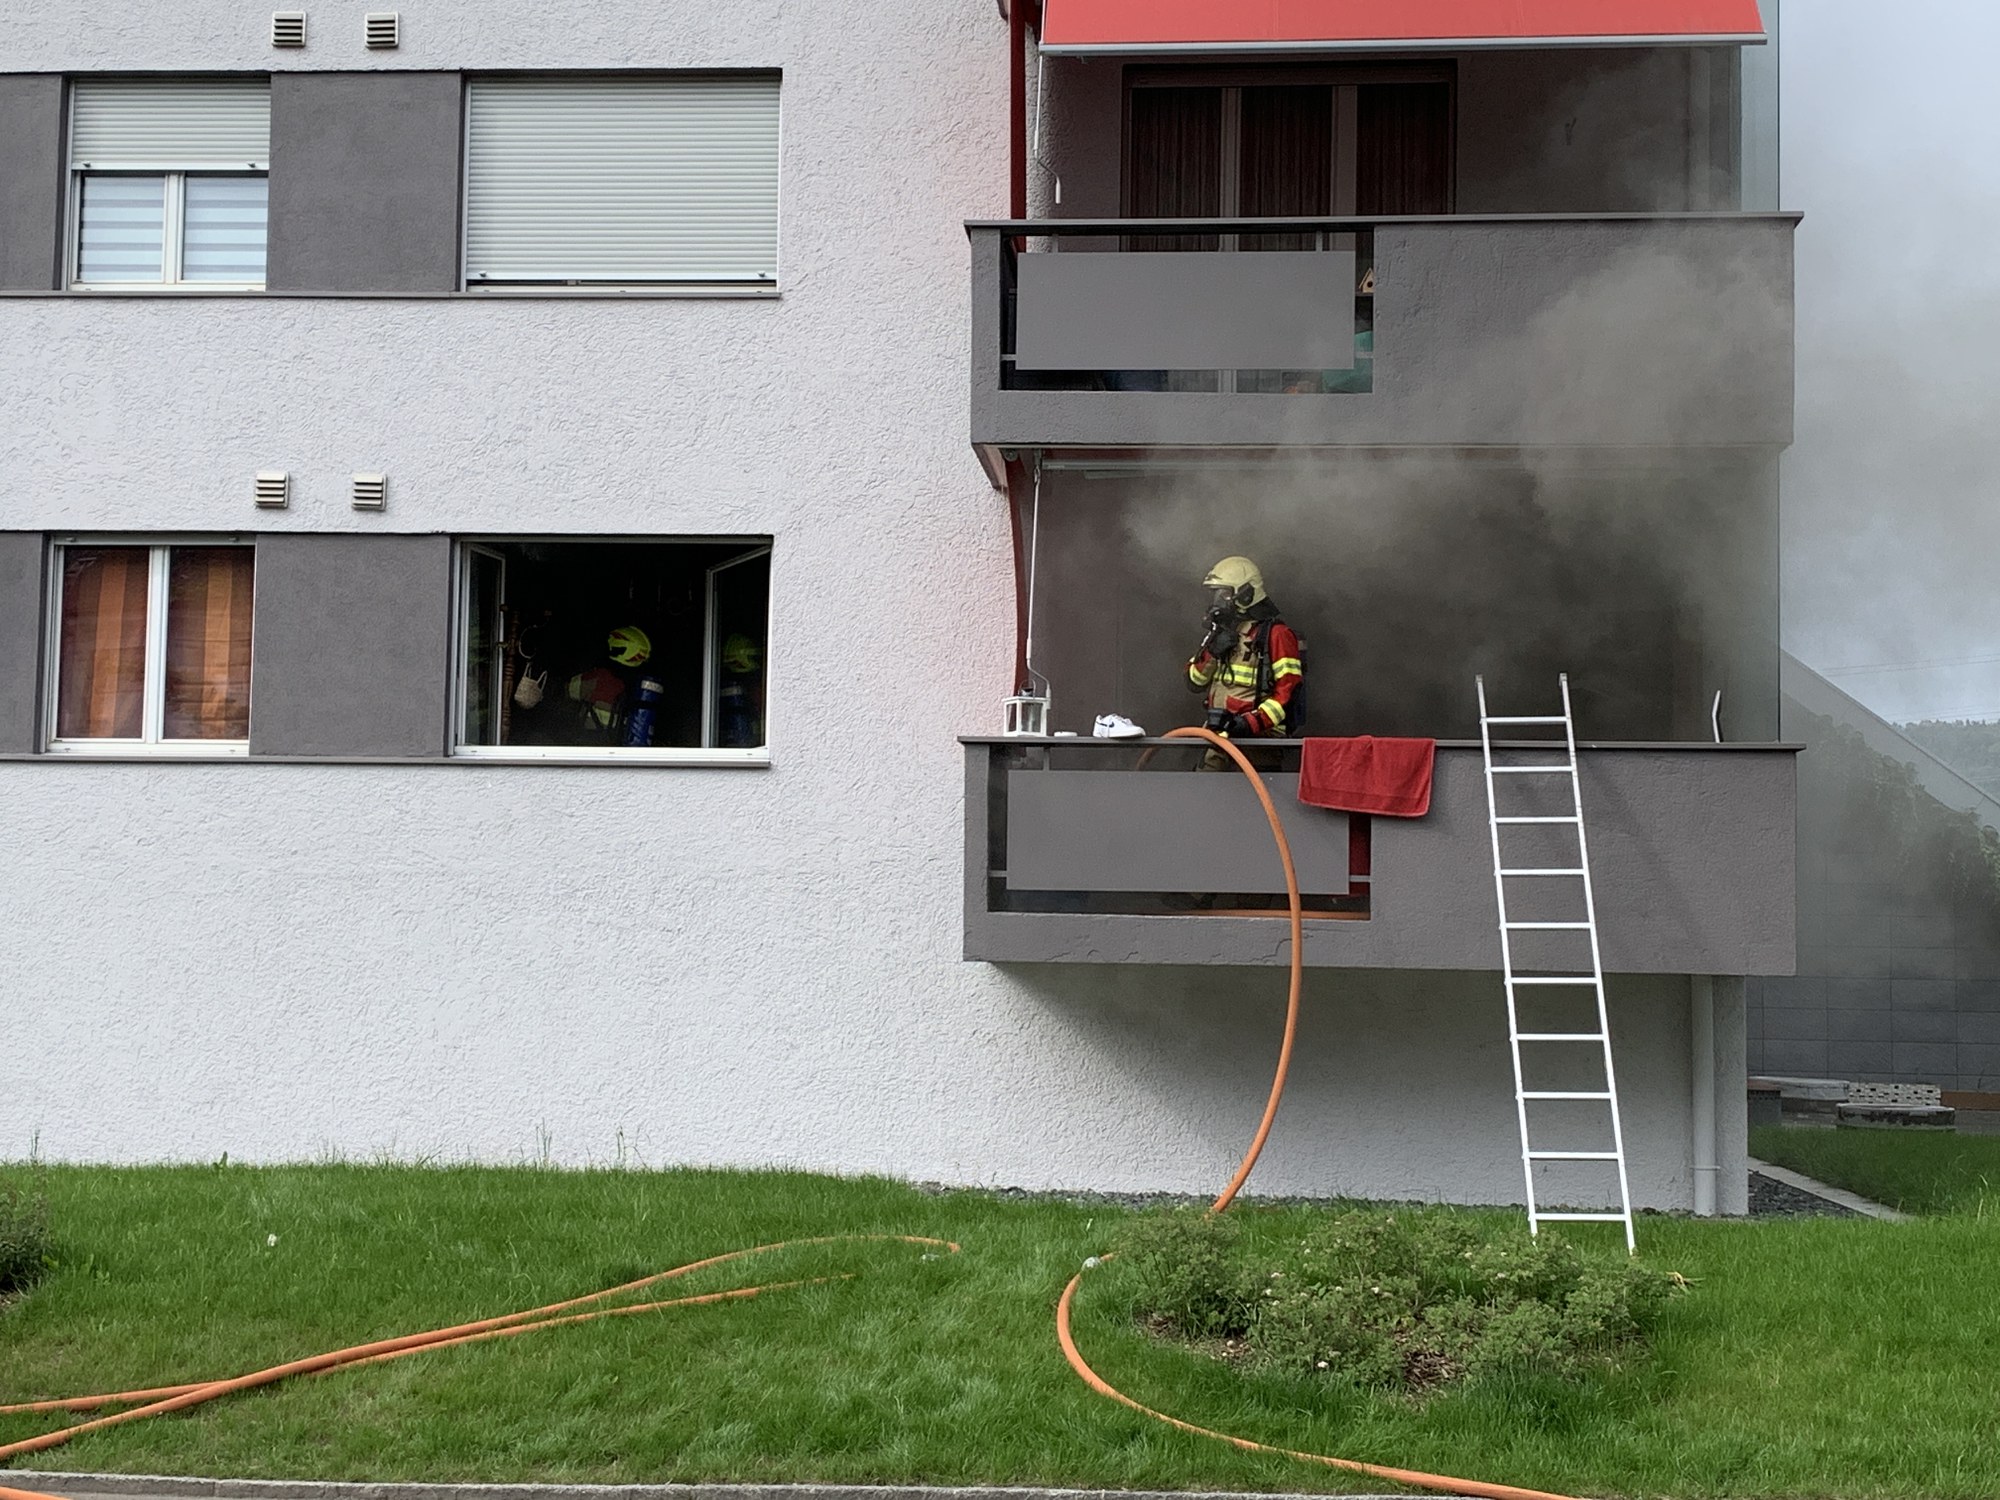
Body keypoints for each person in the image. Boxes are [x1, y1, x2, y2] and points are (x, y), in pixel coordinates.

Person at [1187, 557, 1303, 754]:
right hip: (1218, 737)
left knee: (1255, 775)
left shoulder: (1277, 635)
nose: (1218, 602)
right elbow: (1194, 682)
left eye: (1224, 594)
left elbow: (1288, 693)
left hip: (1260, 740)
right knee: (1206, 773)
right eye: (1215, 594)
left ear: (1246, 594)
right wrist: (1212, 653)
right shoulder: (1220, 631)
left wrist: (1250, 723)